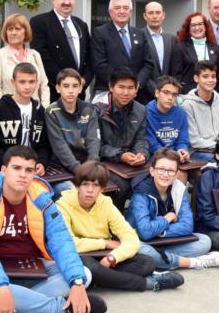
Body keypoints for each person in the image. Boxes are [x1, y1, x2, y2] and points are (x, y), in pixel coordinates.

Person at [0, 146, 106, 313]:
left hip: (34, 266)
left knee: (84, 275)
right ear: (4, 170)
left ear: (34, 173)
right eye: (16, 168)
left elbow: (61, 240)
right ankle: (61, 310)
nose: (22, 175)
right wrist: (0, 285)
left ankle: (6, 307)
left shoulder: (42, 199)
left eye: (28, 170)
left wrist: (77, 283)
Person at [57, 161, 184, 292]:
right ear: (77, 186)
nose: (90, 190)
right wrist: (105, 243)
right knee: (91, 268)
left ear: (102, 189)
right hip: (79, 256)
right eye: (85, 184)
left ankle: (103, 279)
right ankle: (150, 283)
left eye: (95, 185)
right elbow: (68, 243)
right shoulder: (63, 205)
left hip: (103, 255)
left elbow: (131, 238)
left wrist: (112, 258)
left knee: (147, 263)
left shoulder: (105, 203)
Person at [127, 149, 219, 270]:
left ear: (176, 174)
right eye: (161, 169)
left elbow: (188, 226)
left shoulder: (178, 188)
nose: (165, 174)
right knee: (140, 249)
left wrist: (158, 232)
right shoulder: (140, 193)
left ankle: (160, 258)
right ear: (152, 171)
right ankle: (194, 262)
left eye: (170, 171)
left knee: (204, 241)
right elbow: (145, 232)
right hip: (138, 241)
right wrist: (168, 218)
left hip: (162, 240)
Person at [95, 67, 150, 211]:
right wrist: (120, 155)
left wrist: (142, 154)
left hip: (130, 161)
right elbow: (96, 145)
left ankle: (141, 219)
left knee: (154, 178)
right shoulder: (96, 109)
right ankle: (115, 222)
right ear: (111, 87)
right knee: (121, 186)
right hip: (103, 161)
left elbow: (141, 139)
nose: (126, 93)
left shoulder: (140, 109)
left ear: (136, 89)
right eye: (121, 87)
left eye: (130, 88)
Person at [30, 0, 93, 102]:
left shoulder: (81, 25)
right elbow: (42, 56)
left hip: (79, 92)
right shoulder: (39, 22)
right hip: (53, 92)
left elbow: (89, 56)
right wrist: (64, 82)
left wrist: (84, 80)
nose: (67, 2)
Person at [44, 68, 101, 199]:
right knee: (72, 193)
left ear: (80, 88)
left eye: (75, 86)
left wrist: (91, 166)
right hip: (60, 168)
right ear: (58, 88)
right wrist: (80, 170)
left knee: (104, 191)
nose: (71, 91)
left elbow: (94, 140)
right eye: (66, 86)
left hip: (87, 166)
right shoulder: (51, 111)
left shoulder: (89, 109)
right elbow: (59, 146)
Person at [0, 63, 50, 174]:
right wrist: (10, 166)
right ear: (13, 82)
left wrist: (41, 162)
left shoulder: (39, 110)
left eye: (31, 82)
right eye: (22, 82)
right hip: (7, 170)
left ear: (37, 82)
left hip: (33, 169)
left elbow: (44, 145)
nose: (27, 87)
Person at [91, 0, 154, 103]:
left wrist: (137, 84)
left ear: (130, 11)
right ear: (110, 12)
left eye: (125, 8)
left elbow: (148, 63)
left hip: (137, 94)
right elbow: (99, 64)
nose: (122, 11)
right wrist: (121, 85)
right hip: (109, 92)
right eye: (117, 8)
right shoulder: (99, 32)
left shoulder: (140, 33)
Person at [0, 14, 49, 107]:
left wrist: (44, 108)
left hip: (35, 110)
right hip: (8, 111)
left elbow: (44, 85)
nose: (13, 33)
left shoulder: (35, 55)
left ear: (26, 32)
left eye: (18, 29)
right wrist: (3, 110)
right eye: (10, 29)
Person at [171, 12, 219, 94]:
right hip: (187, 95)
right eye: (193, 25)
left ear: (205, 27)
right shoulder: (180, 47)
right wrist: (179, 95)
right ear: (188, 29)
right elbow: (176, 76)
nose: (197, 28)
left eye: (200, 24)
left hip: (211, 94)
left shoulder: (215, 48)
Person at [146, 76, 190, 161]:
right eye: (166, 93)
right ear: (157, 93)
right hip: (155, 157)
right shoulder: (146, 112)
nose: (170, 98)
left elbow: (182, 140)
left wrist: (182, 150)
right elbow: (152, 145)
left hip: (176, 156)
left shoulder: (181, 112)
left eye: (174, 94)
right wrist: (173, 155)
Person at [143, 1, 177, 99]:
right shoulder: (139, 36)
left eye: (158, 13)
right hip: (145, 96)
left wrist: (168, 91)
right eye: (151, 13)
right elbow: (138, 68)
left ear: (163, 15)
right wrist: (156, 91)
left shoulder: (172, 39)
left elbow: (175, 68)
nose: (154, 16)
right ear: (145, 16)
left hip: (169, 96)